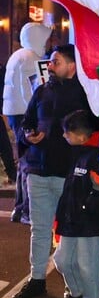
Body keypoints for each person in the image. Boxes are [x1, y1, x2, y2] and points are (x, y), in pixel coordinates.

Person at [12, 44, 95, 298]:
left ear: (72, 65)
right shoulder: (42, 91)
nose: (50, 65)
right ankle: (37, 279)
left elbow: (97, 125)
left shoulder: (86, 94)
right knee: (39, 229)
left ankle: (78, 289)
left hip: (68, 174)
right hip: (37, 170)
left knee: (70, 233)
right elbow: (27, 121)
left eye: (56, 61)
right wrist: (28, 135)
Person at [52, 110, 99, 298]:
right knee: (62, 260)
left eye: (67, 133)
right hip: (71, 220)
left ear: (80, 135)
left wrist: (86, 207)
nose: (64, 136)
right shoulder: (77, 153)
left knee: (87, 264)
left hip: (89, 223)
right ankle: (76, 293)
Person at [3, 22, 52, 224]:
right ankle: (27, 209)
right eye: (47, 38)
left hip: (15, 112)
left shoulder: (18, 55)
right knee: (30, 163)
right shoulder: (33, 59)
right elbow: (41, 90)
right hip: (27, 114)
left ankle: (20, 207)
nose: (49, 43)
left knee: (24, 161)